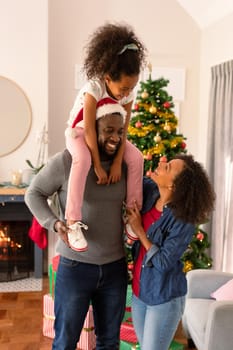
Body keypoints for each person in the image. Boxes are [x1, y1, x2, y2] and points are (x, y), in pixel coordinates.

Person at [25, 101, 130, 350]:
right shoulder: (66, 161)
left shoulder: (126, 165)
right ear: (92, 130)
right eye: (108, 130)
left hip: (115, 268)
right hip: (75, 268)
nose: (115, 137)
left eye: (120, 131)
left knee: (109, 343)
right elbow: (34, 193)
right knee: (65, 342)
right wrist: (54, 222)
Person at [65, 22, 147, 251]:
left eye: (131, 88)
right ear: (108, 77)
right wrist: (99, 165)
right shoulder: (94, 87)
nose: (126, 93)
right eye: (123, 88)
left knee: (137, 158)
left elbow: (125, 130)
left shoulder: (128, 94)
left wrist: (118, 161)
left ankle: (132, 214)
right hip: (80, 131)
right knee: (82, 159)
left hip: (109, 134)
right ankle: (72, 221)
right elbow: (89, 128)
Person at [126, 154, 215, 350]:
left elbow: (164, 262)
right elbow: (128, 171)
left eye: (168, 168)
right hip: (140, 293)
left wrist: (139, 230)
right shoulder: (150, 191)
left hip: (164, 298)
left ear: (174, 186)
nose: (161, 163)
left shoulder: (184, 220)